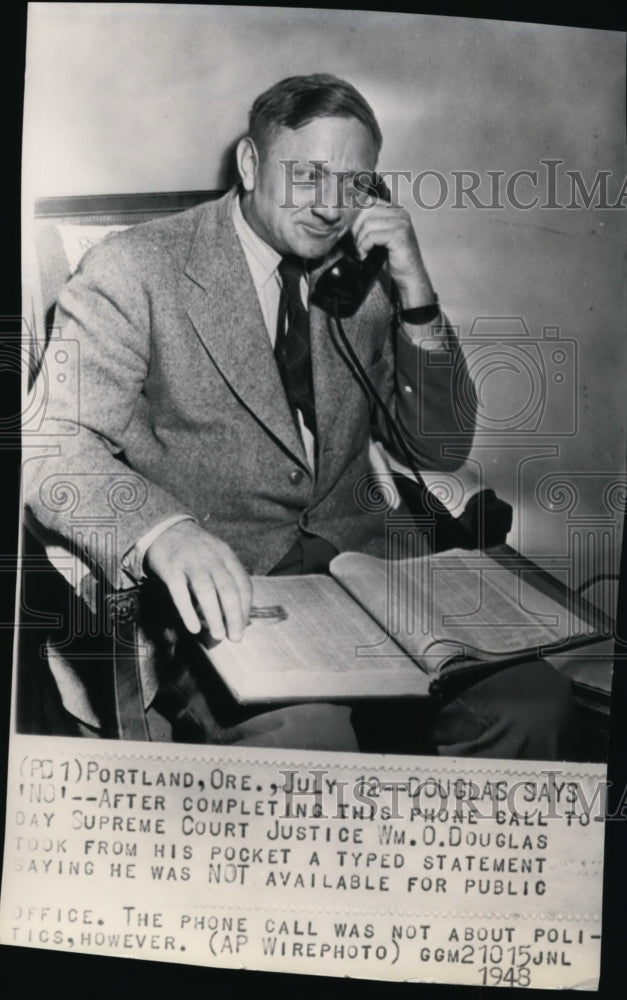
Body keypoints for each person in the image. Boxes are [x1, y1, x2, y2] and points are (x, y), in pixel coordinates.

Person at [24, 73, 577, 757]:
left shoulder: (364, 277)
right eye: (308, 175)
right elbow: (51, 445)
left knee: (532, 706)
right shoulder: (135, 269)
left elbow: (439, 445)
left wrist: (416, 292)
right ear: (251, 164)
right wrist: (165, 534)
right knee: (309, 742)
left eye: (353, 183)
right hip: (226, 593)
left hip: (375, 575)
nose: (329, 208)